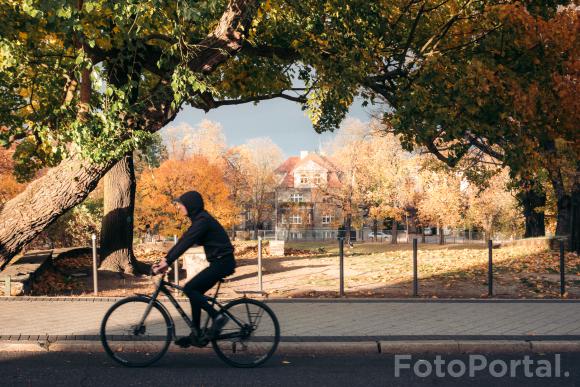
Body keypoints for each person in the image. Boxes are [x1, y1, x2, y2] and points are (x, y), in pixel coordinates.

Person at [152, 191, 236, 348]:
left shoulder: (203, 221)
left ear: (190, 206)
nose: (179, 208)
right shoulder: (200, 220)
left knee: (190, 289)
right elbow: (186, 239)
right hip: (220, 262)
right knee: (194, 291)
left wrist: (167, 261)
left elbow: (186, 241)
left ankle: (218, 317)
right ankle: (196, 333)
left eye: (181, 205)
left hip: (222, 263)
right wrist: (166, 259)